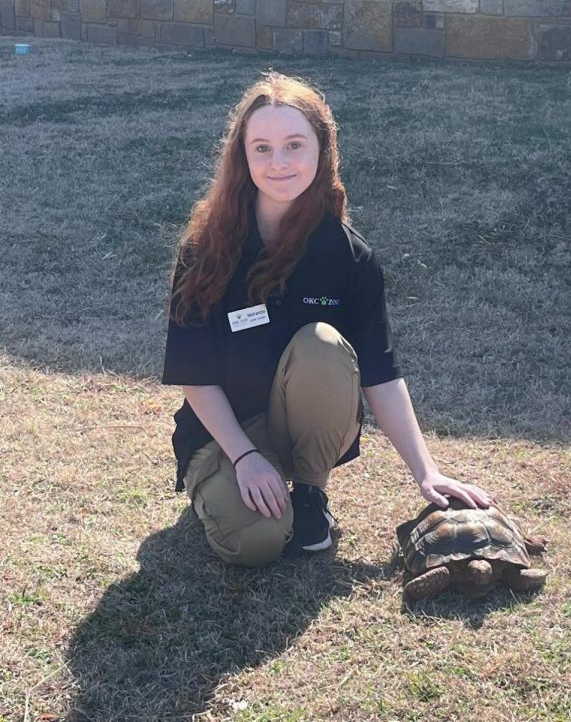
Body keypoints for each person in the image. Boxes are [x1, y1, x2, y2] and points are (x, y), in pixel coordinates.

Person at [162, 73, 492, 568]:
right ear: (243, 156)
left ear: (322, 149)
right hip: (222, 432)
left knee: (323, 343)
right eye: (263, 148)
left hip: (299, 425)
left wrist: (427, 472)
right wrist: (245, 457)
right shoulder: (206, 249)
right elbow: (194, 374)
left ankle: (310, 493)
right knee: (256, 545)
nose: (279, 163)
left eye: (294, 145)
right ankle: (228, 486)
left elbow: (380, 371)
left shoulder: (349, 256)